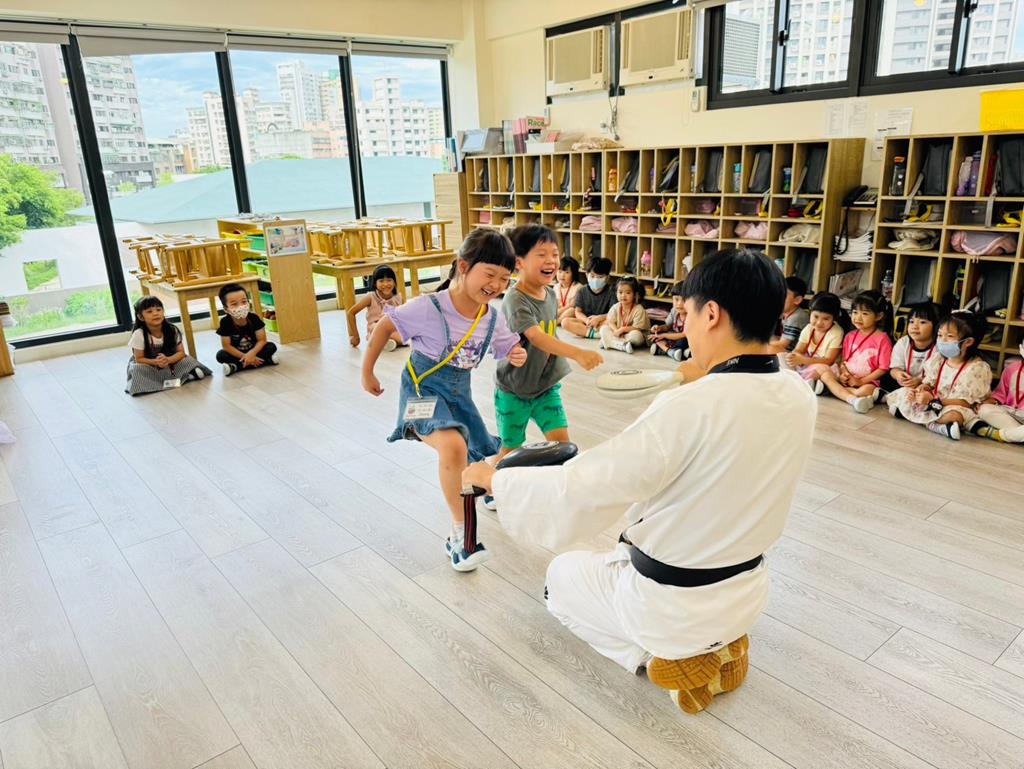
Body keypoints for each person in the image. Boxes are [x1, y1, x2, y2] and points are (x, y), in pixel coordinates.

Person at [463, 248, 817, 714]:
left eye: (689, 313)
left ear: (711, 314)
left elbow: (586, 487)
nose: (687, 324)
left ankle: (667, 658)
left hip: (672, 606)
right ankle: (721, 641)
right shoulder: (798, 392)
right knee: (620, 556)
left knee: (559, 580)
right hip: (747, 589)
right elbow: (731, 420)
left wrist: (496, 481)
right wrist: (700, 379)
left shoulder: (689, 409)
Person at [361, 229, 527, 572]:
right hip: (421, 391)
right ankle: (461, 535)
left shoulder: (491, 317)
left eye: (504, 279)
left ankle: (474, 507)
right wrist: (367, 372)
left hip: (458, 394)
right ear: (463, 267)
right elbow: (384, 327)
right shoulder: (429, 307)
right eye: (490, 274)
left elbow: (507, 344)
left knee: (467, 453)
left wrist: (516, 352)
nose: (496, 285)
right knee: (453, 447)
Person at [485, 226, 604, 510]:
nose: (551, 260)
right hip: (514, 390)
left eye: (555, 253)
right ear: (519, 262)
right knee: (511, 449)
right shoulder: (515, 299)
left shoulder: (549, 294)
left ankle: (565, 490)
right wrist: (578, 353)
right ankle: (490, 485)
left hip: (546, 386)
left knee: (562, 443)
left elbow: (551, 332)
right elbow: (537, 337)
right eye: (541, 254)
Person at [886, 311, 991, 441]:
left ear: (968, 342)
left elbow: (966, 402)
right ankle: (938, 425)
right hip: (931, 400)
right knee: (904, 393)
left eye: (949, 336)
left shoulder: (977, 368)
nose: (942, 340)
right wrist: (921, 389)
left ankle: (930, 424)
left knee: (955, 415)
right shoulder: (940, 359)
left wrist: (932, 401)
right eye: (940, 335)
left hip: (952, 405)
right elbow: (929, 382)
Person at [813, 290, 893, 413]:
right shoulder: (849, 336)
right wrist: (844, 374)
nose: (858, 317)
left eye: (865, 313)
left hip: (867, 381)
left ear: (878, 316)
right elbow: (844, 360)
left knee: (866, 390)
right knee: (825, 375)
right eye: (855, 312)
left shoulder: (882, 339)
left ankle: (832, 390)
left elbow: (883, 368)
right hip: (847, 378)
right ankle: (852, 397)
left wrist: (861, 381)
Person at [125, 296, 211, 396]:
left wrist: (168, 360)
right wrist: (156, 362)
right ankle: (186, 376)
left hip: (171, 362)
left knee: (187, 359)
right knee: (137, 369)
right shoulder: (139, 334)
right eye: (149, 311)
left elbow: (181, 353)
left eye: (158, 309)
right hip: (150, 365)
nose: (155, 313)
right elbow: (139, 359)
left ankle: (188, 374)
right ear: (141, 317)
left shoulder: (172, 329)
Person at [215, 283, 279, 376]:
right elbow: (227, 346)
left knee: (271, 346)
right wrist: (246, 356)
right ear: (226, 309)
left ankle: (236, 366)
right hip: (237, 353)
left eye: (244, 302)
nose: (241, 306)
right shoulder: (225, 322)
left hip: (255, 350)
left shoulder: (254, 318)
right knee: (221, 355)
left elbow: (262, 340)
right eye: (234, 304)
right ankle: (266, 361)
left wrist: (251, 354)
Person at [784, 291, 844, 383]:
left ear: (834, 318)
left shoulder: (836, 332)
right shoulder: (809, 328)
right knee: (781, 357)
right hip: (806, 362)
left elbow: (829, 361)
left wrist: (803, 360)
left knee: (819, 369)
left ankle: (804, 383)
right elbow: (798, 350)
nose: (819, 323)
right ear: (810, 312)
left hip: (825, 366)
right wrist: (793, 357)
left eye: (826, 319)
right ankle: (801, 381)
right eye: (816, 316)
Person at [972, 342, 1024, 443]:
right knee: (984, 410)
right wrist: (988, 401)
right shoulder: (1012, 368)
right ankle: (1017, 434)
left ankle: (1000, 435)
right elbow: (1000, 394)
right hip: (1010, 412)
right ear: (1021, 347)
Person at [348, 264, 404, 350]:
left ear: (394, 282)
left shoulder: (398, 297)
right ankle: (385, 341)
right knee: (377, 327)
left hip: (392, 328)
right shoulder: (370, 297)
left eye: (389, 280)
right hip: (375, 328)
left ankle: (387, 342)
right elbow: (351, 313)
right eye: (381, 281)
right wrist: (356, 337)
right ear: (375, 283)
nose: (385, 284)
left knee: (403, 337)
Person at [888, 302, 939, 390]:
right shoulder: (903, 342)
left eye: (922, 322)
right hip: (906, 387)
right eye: (911, 321)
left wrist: (920, 381)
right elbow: (894, 369)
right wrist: (898, 375)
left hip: (929, 388)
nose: (914, 326)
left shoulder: (939, 347)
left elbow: (939, 376)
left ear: (936, 326)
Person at [561, 256, 615, 338]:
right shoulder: (582, 291)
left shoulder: (611, 292)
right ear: (586, 275)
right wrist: (587, 320)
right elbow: (578, 312)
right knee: (565, 322)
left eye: (600, 277)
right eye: (592, 276)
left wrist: (598, 318)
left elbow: (614, 313)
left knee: (612, 322)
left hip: (602, 321)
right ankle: (595, 334)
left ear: (607, 278)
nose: (596, 279)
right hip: (586, 323)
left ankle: (586, 332)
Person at [599, 276, 650, 354]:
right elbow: (610, 322)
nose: (623, 295)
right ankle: (622, 345)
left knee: (636, 336)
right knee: (603, 328)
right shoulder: (615, 307)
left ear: (635, 294)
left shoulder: (639, 309)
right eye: (620, 292)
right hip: (618, 334)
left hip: (630, 334)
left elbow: (637, 328)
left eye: (628, 293)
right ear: (616, 293)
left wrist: (622, 329)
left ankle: (610, 342)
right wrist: (616, 330)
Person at [767, 276, 809, 354]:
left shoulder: (796, 317)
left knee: (766, 347)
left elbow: (783, 344)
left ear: (797, 300)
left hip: (794, 354)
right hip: (786, 348)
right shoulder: (787, 313)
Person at [649, 283, 689, 361]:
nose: (679, 303)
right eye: (676, 299)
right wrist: (659, 328)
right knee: (655, 337)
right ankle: (672, 352)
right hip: (672, 337)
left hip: (683, 339)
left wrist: (664, 335)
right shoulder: (674, 311)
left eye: (684, 300)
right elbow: (667, 326)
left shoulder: (691, 315)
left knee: (683, 341)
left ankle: (664, 350)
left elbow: (684, 334)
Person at [555, 255, 583, 322]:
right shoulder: (556, 287)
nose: (562, 275)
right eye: (560, 271)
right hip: (559, 312)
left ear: (573, 274)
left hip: (570, 315)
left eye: (567, 272)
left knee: (572, 310)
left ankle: (556, 322)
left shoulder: (578, 287)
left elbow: (572, 306)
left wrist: (558, 312)